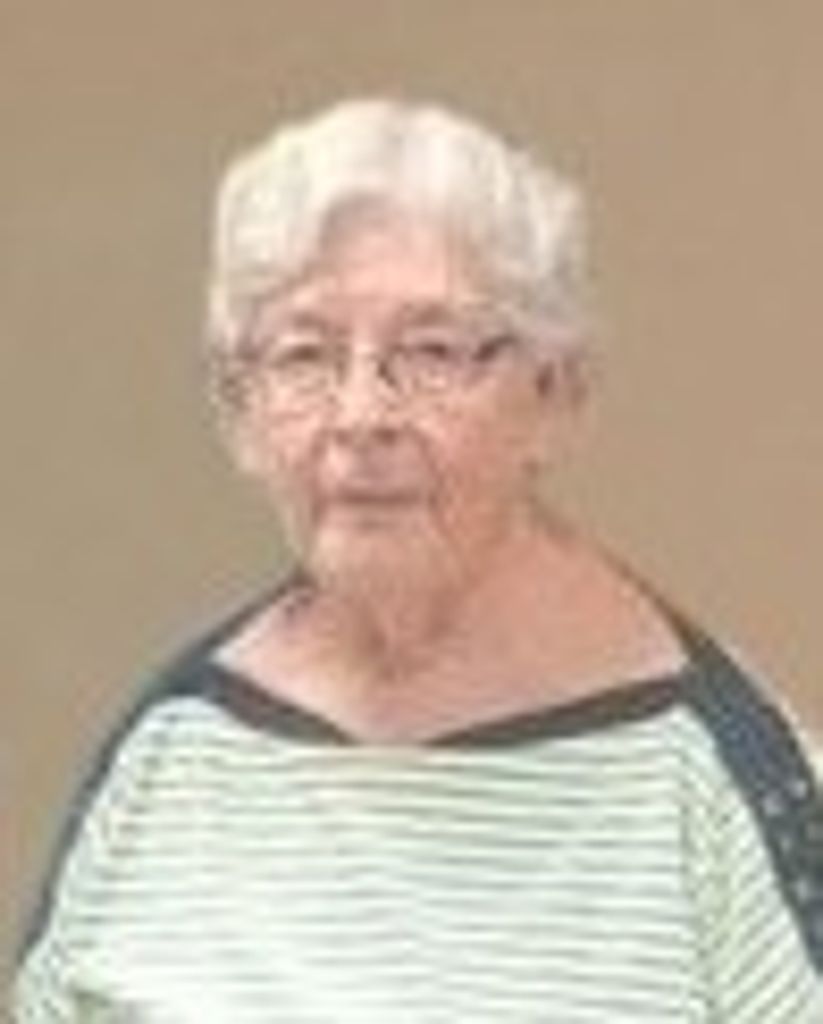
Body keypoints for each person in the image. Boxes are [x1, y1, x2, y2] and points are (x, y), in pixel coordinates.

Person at [12, 97, 823, 1022]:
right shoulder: (176, 749)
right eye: (305, 357)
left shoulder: (716, 775)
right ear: (240, 417)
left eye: (432, 352)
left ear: (555, 395)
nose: (361, 416)